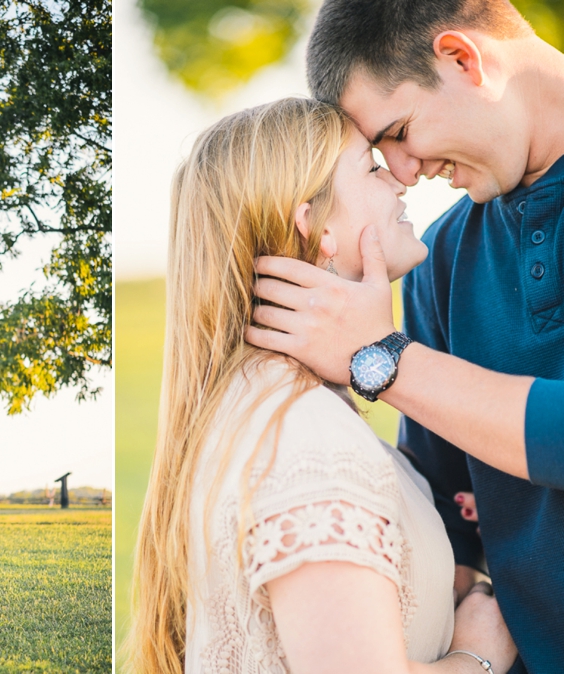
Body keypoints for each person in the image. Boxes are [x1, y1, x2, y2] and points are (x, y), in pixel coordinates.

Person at [128, 97, 516, 674]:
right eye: (369, 167)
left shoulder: (271, 407)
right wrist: (479, 654)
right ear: (315, 226)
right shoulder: (307, 438)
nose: (399, 180)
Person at [245, 2, 564, 672]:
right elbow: (445, 514)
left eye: (400, 131)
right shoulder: (443, 256)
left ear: (461, 59)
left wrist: (385, 359)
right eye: (376, 155)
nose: (406, 172)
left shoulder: (387, 347)